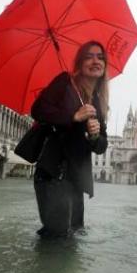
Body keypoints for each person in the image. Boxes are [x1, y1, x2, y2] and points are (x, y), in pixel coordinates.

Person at [30, 41, 109, 238]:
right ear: (80, 62)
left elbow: (101, 147)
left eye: (100, 57)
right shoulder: (65, 82)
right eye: (89, 56)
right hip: (54, 174)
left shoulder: (98, 102)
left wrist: (94, 135)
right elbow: (38, 110)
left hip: (76, 178)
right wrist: (73, 117)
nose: (95, 61)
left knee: (73, 237)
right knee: (56, 239)